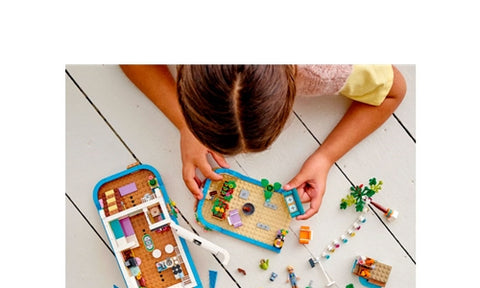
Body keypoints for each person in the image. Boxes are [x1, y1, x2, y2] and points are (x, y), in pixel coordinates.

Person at [120, 65, 406, 219]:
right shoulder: (325, 66)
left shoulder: (327, 67)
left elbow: (394, 91)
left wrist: (326, 157)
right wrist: (186, 124)